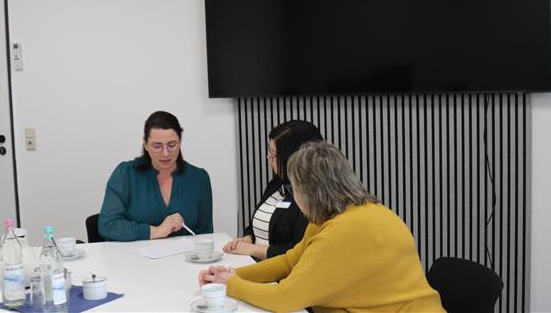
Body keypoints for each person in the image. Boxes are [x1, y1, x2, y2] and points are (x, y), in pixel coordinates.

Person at [199, 142, 445, 313]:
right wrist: (229, 276)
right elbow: (290, 262)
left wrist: (231, 284)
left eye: (294, 187)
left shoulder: (343, 232)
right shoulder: (338, 215)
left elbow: (285, 297)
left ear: (309, 192)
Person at [98, 111, 213, 241]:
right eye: (157, 146)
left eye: (171, 145)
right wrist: (157, 231)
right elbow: (107, 225)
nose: (165, 153)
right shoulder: (125, 174)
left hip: (183, 259)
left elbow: (206, 234)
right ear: (145, 144)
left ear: (180, 142)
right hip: (133, 259)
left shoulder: (199, 178)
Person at [223, 120, 322, 260]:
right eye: (269, 152)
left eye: (274, 155)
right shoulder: (277, 182)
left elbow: (299, 251)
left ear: (293, 158)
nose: (268, 158)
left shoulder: (312, 197)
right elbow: (255, 223)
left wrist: (253, 249)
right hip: (255, 264)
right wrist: (248, 238)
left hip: (282, 274)